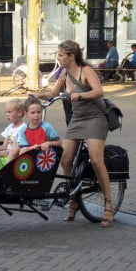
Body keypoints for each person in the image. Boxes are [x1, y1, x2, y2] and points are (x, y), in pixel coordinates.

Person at [30, 40, 113, 228]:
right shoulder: (64, 73)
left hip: (95, 118)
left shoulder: (86, 71)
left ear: (71, 56)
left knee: (96, 159)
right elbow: (53, 92)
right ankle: (73, 200)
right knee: (65, 160)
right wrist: (38, 94)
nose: (57, 58)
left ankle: (108, 204)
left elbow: (99, 91)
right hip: (77, 120)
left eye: (60, 55)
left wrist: (81, 95)